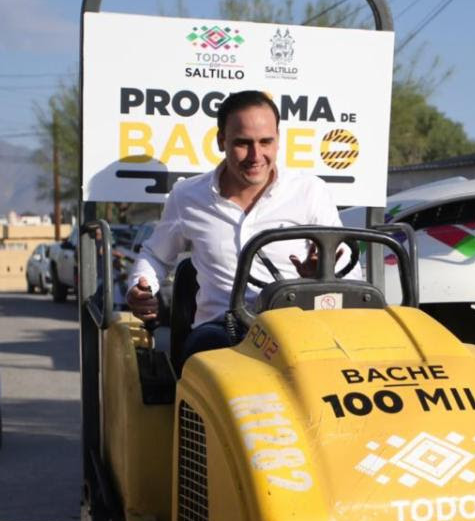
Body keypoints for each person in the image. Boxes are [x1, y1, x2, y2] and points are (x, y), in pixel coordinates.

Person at [125, 89, 355, 362]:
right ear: (221, 140)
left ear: (278, 141)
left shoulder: (310, 192)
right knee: (210, 360)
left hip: (300, 330)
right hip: (222, 332)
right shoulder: (187, 196)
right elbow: (155, 255)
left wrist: (319, 277)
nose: (256, 155)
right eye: (243, 143)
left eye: (265, 142)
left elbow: (349, 270)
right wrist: (141, 287)